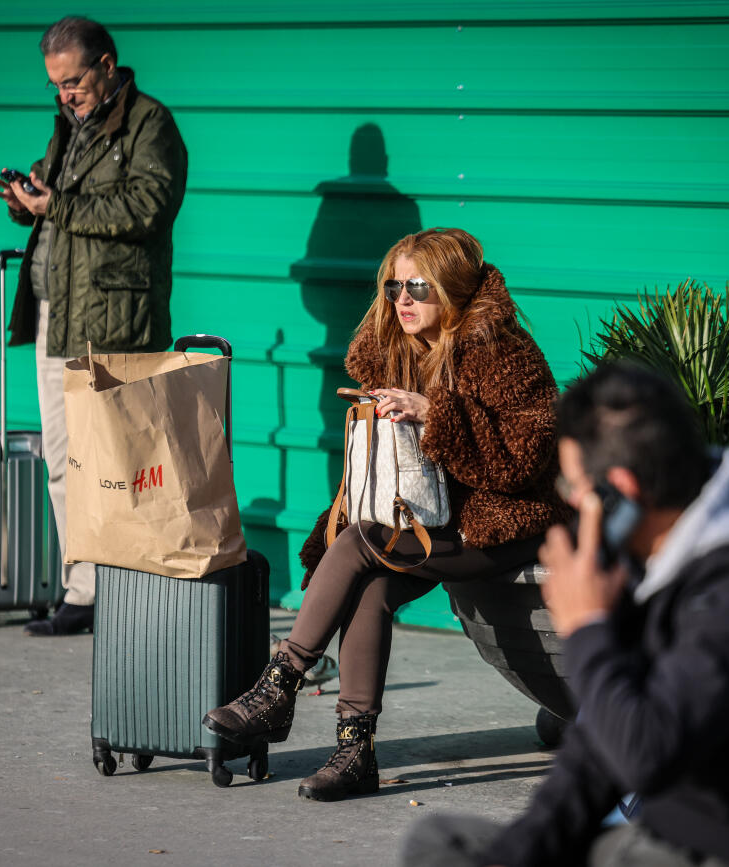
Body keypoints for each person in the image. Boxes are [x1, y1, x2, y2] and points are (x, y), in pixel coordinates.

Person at [400, 363, 729, 867]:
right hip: (682, 837)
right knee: (445, 846)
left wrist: (588, 627)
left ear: (619, 493)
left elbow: (647, 755)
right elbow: (594, 755)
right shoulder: (656, 553)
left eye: (573, 492)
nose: (569, 509)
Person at [203, 227, 568, 801]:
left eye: (418, 286)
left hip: (505, 524)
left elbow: (518, 465)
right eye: (394, 285)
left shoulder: (505, 351)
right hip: (430, 519)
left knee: (360, 545)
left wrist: (434, 413)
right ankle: (355, 753)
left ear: (451, 287)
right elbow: (384, 469)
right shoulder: (395, 351)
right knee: (369, 588)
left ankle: (280, 684)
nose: (403, 299)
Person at [0, 16, 188, 636]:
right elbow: (65, 215)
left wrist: (61, 206)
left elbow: (149, 208)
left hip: (114, 322)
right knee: (61, 461)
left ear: (107, 65)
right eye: (56, 85)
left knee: (121, 463)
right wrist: (30, 207)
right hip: (59, 316)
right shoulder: (68, 127)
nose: (65, 94)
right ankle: (84, 590)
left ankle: (133, 592)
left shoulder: (148, 124)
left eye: (73, 81)